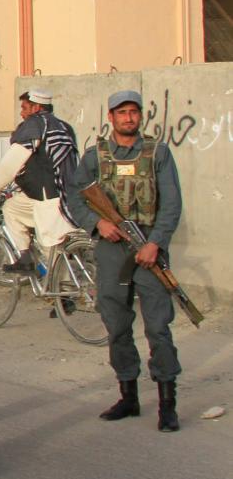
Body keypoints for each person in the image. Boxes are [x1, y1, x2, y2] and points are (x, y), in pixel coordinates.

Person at [67, 90, 184, 432]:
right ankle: (129, 396)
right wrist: (97, 223)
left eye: (134, 112)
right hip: (111, 247)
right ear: (111, 117)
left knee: (158, 326)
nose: (128, 118)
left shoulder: (158, 153)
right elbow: (75, 196)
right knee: (116, 323)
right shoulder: (94, 157)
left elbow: (172, 204)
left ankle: (167, 403)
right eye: (122, 113)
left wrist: (156, 243)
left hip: (147, 245)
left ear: (140, 116)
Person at [0, 89, 81, 274]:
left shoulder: (35, 124)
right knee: (12, 208)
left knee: (51, 249)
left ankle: (62, 296)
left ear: (36, 107)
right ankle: (27, 258)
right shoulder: (64, 127)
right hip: (69, 195)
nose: (22, 113)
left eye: (25, 108)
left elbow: (11, 164)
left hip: (50, 199)